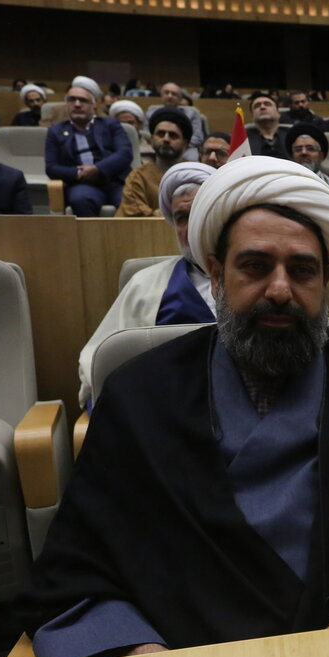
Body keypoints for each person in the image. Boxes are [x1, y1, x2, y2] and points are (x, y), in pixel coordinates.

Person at [19, 156, 329, 657]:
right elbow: (77, 568)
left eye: (302, 270)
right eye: (256, 266)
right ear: (217, 273)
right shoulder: (138, 395)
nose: (280, 289)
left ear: (325, 279)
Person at [77, 162, 219, 408]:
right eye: (182, 218)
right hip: (163, 409)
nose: (191, 227)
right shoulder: (145, 284)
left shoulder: (256, 280)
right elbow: (100, 361)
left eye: (199, 213)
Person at [44, 77, 133, 216]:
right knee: (81, 200)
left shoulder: (110, 124)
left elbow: (125, 153)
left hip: (114, 180)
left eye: (83, 100)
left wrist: (97, 169)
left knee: (130, 200)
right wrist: (79, 173)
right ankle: (93, 232)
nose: (77, 104)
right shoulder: (55, 131)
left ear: (94, 105)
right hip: (82, 184)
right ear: (66, 105)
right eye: (72, 100)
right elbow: (51, 167)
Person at [120, 107, 192, 217]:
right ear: (152, 139)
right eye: (161, 134)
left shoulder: (195, 175)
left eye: (173, 135)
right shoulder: (138, 176)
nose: (166, 139)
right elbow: (134, 213)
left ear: (185, 143)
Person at [145, 83, 206, 155]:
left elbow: (197, 137)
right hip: (156, 148)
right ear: (161, 95)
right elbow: (146, 135)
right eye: (166, 93)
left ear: (180, 99)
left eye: (174, 94)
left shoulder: (192, 113)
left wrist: (178, 145)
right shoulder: (151, 112)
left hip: (187, 149)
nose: (170, 96)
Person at [285, 122, 329, 192]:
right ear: (292, 156)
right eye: (298, 149)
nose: (304, 152)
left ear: (321, 156)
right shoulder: (282, 184)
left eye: (310, 148)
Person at [247, 93, 287, 159]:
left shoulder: (292, 136)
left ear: (278, 113)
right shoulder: (245, 140)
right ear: (252, 116)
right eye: (257, 106)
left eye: (267, 104)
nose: (262, 107)